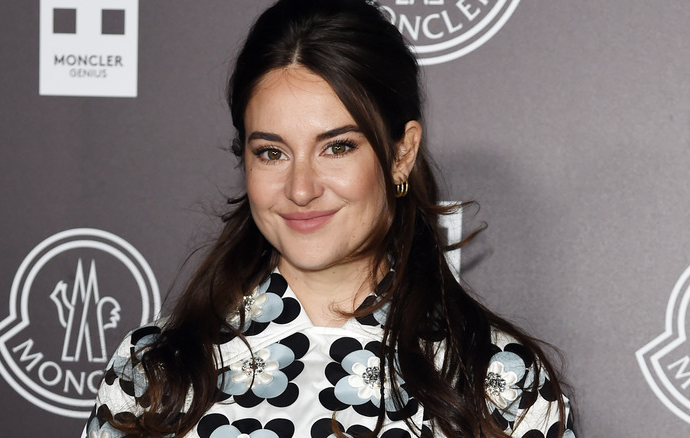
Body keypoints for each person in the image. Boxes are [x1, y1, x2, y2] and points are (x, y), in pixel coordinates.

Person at [84, 0, 575, 437]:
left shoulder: (500, 381)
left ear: (401, 154)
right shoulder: (155, 370)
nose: (301, 189)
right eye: (272, 152)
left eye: (337, 147)